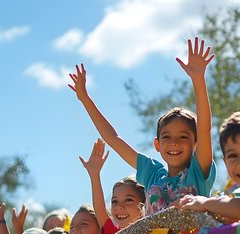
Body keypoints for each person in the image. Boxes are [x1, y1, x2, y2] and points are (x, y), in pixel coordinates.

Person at [69, 37, 216, 215]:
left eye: (183, 136)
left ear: (196, 143)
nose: (174, 142)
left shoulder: (198, 172)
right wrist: (85, 99)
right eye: (167, 136)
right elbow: (112, 138)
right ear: (157, 144)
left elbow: (204, 129)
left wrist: (198, 79)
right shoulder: (153, 174)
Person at [79, 139, 146, 234]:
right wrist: (94, 174)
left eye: (128, 200)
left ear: (143, 204)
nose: (119, 206)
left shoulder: (151, 231)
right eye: (114, 201)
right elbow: (99, 207)